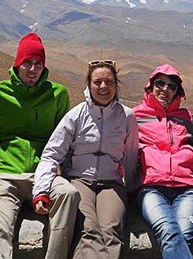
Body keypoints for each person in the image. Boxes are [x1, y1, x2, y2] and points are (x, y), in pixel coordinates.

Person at [0, 33, 79, 259]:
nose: (33, 69)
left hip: (44, 175)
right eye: (27, 63)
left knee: (69, 194)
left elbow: (64, 141)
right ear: (17, 63)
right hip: (5, 176)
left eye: (38, 64)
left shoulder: (57, 94)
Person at [33, 59, 139, 259]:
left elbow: (131, 156)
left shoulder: (127, 117)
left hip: (112, 184)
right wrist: (41, 190)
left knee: (111, 231)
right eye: (97, 82)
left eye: (109, 81)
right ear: (89, 85)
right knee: (88, 229)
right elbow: (51, 154)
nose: (103, 87)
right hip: (80, 180)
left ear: (116, 85)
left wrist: (131, 189)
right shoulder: (76, 115)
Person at [133, 64, 193, 259]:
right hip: (151, 188)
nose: (165, 89)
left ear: (178, 91)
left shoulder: (186, 118)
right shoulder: (135, 116)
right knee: (169, 232)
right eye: (160, 83)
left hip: (187, 189)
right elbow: (122, 150)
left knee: (184, 235)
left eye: (171, 86)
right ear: (150, 86)